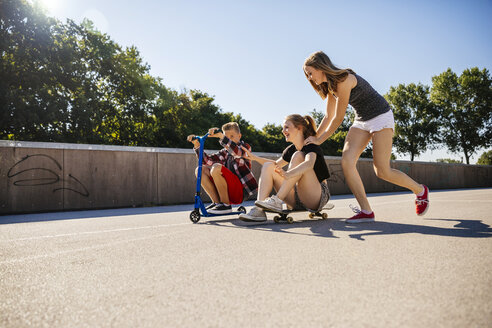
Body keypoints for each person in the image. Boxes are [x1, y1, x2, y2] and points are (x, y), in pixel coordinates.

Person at [302, 51, 429, 223]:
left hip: (380, 116)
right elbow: (328, 116)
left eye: (310, 72)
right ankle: (366, 211)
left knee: (382, 171)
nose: (309, 77)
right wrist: (314, 138)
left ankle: (420, 190)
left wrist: (319, 140)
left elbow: (338, 118)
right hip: (362, 120)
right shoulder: (329, 87)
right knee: (346, 162)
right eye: (307, 74)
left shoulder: (344, 79)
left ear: (320, 67)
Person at [239, 114, 330, 222]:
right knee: (269, 166)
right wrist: (254, 158)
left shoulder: (311, 145)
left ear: (299, 128)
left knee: (298, 156)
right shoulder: (290, 149)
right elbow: (275, 165)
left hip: (316, 197)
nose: (283, 131)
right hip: (295, 198)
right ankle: (259, 211)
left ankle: (277, 200)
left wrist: (289, 174)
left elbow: (309, 163)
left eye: (286, 127)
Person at [187, 122, 258, 214]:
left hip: (240, 191)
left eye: (231, 136)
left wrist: (222, 137)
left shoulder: (245, 148)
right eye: (226, 137)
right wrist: (197, 145)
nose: (229, 139)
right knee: (200, 169)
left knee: (217, 167)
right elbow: (206, 161)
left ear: (239, 136)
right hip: (227, 190)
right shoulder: (225, 153)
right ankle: (217, 203)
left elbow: (237, 152)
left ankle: (225, 205)